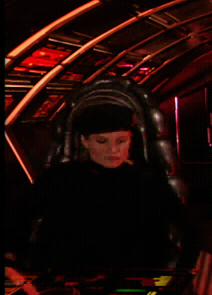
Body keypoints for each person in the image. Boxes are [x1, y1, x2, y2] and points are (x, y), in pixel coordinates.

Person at [6, 103, 191, 272]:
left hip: (134, 275)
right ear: (85, 141)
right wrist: (13, 261)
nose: (112, 150)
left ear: (131, 141)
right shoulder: (59, 178)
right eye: (102, 141)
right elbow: (20, 218)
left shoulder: (148, 179)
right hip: (69, 276)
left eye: (121, 141)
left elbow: (185, 224)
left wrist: (182, 269)